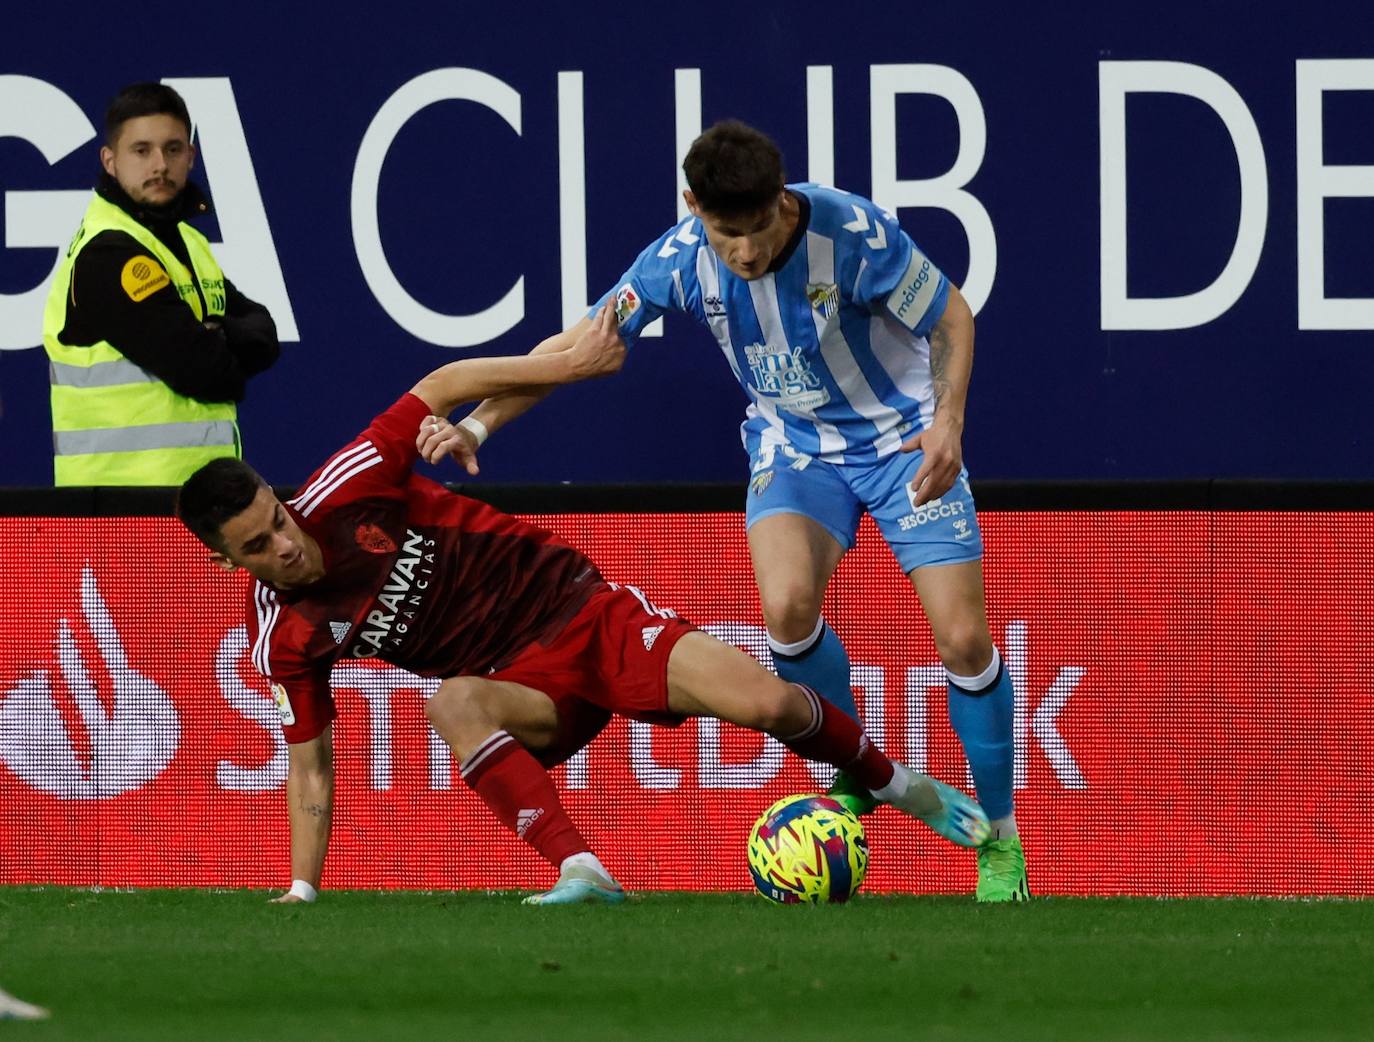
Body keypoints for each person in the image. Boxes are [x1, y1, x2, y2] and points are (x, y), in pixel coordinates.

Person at [175, 304, 989, 905]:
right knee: (452, 702)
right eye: (256, 547)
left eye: (276, 520)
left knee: (772, 702)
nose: (283, 545)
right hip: (517, 686)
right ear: (225, 562)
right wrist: (300, 889)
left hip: (579, 611)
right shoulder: (284, 639)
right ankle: (580, 868)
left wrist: (563, 370)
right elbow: (309, 765)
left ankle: (892, 784)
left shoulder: (346, 486)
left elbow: (444, 384)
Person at [444, 120, 1028, 903]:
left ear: (782, 202)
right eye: (727, 233)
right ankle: (856, 775)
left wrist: (948, 424)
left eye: (758, 230)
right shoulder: (679, 260)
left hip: (904, 442)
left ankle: (1002, 840)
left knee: (962, 639)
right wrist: (477, 422)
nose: (746, 253)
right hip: (795, 452)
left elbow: (951, 315)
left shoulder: (850, 233)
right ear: (694, 207)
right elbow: (576, 348)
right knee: (785, 610)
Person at [43, 82, 279, 486]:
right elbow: (207, 371)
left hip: (191, 502)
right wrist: (221, 342)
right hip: (119, 508)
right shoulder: (108, 253)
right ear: (110, 160)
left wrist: (217, 334)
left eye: (172, 149)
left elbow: (265, 333)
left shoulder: (189, 242)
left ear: (191, 156)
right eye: (141, 150)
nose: (159, 165)